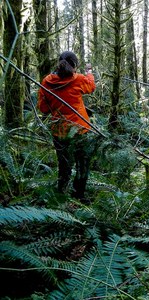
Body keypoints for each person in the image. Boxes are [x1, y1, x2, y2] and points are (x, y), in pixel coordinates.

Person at [38, 51, 96, 201]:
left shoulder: (46, 82)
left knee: (64, 165)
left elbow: (43, 109)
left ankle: (61, 197)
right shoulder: (79, 79)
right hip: (80, 130)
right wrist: (89, 72)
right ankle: (79, 196)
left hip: (59, 131)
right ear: (75, 65)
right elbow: (91, 87)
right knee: (82, 164)